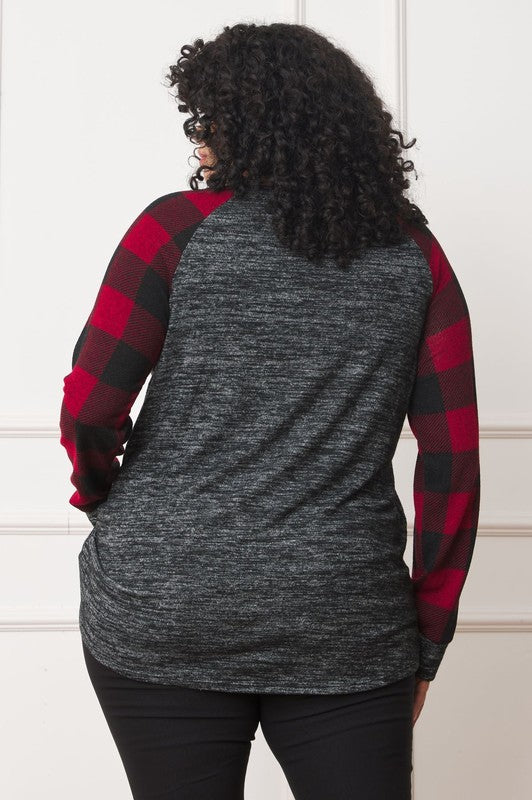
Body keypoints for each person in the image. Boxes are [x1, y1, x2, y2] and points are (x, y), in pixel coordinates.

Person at [59, 21, 480, 800]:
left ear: (250, 125)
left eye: (208, 121)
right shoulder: (416, 258)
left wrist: (109, 504)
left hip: (164, 603)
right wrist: (429, 635)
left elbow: (90, 405)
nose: (200, 143)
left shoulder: (173, 233)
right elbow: (452, 465)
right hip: (343, 621)